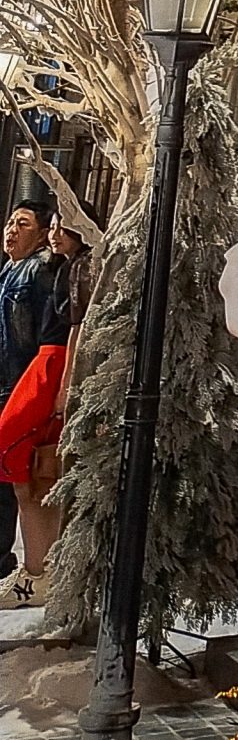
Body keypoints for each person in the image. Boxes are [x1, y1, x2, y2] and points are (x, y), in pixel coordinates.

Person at [0, 200, 68, 601]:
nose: (11, 229)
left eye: (22, 224)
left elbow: (53, 332)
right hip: (14, 381)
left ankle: (32, 568)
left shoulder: (41, 269)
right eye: (10, 222)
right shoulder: (10, 269)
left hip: (27, 382)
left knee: (24, 477)